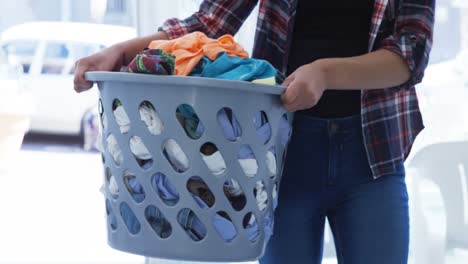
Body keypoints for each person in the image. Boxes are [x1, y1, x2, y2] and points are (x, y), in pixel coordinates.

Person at [74, 0, 434, 263]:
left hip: (373, 155)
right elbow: (210, 21)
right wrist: (121, 52)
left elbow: (410, 53)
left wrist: (325, 73)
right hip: (279, 155)